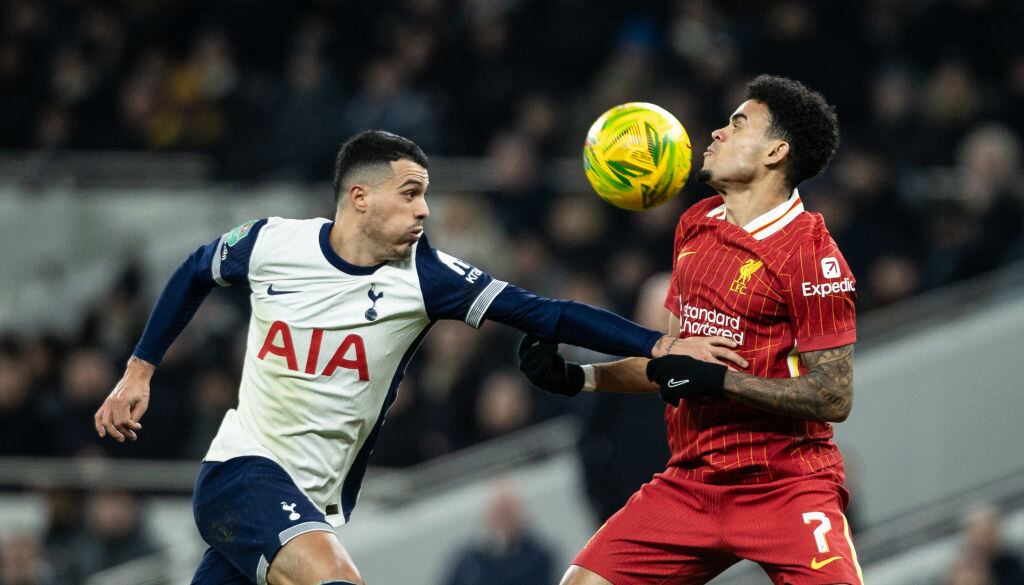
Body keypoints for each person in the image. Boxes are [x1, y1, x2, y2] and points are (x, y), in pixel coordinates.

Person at [92, 130, 719, 585]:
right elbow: (194, 269)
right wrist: (139, 369)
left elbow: (547, 312)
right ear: (359, 197)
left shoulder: (428, 278)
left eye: (427, 195)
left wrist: (657, 345)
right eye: (411, 193)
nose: (425, 209)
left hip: (311, 504)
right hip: (241, 473)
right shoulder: (271, 243)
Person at [518, 75, 861, 585]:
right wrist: (579, 378)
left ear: (775, 152)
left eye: (738, 123)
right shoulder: (696, 226)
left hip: (786, 485)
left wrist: (720, 382)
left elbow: (835, 397)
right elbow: (675, 364)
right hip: (692, 482)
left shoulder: (813, 255)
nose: (718, 133)